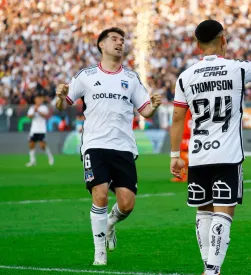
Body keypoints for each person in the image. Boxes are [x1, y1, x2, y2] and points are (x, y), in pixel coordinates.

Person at [169, 20, 251, 275]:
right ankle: (213, 269)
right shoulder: (236, 69)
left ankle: (207, 267)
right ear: (223, 39)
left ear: (197, 45)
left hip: (198, 154)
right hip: (227, 154)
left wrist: (175, 155)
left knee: (203, 211)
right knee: (223, 213)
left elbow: (177, 118)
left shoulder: (185, 77)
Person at [55, 27, 162, 266]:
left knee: (127, 203)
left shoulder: (131, 78)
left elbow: (145, 111)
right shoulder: (86, 75)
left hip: (124, 146)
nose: (119, 43)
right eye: (114, 39)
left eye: (122, 40)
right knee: (100, 194)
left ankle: (110, 224)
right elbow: (63, 105)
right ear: (101, 45)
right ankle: (99, 254)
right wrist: (60, 96)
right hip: (95, 144)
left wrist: (154, 106)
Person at [26, 92, 54, 167]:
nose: (39, 100)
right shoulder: (32, 108)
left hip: (41, 129)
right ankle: (32, 161)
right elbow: (29, 116)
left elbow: (46, 116)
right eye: (38, 99)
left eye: (40, 99)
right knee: (31, 144)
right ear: (35, 100)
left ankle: (50, 157)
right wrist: (34, 112)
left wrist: (38, 111)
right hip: (34, 129)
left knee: (42, 146)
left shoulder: (44, 107)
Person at [171, 109, 192, 182]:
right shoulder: (186, 111)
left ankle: (186, 175)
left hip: (190, 133)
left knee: (185, 155)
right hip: (186, 133)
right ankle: (183, 175)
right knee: (183, 154)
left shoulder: (186, 110)